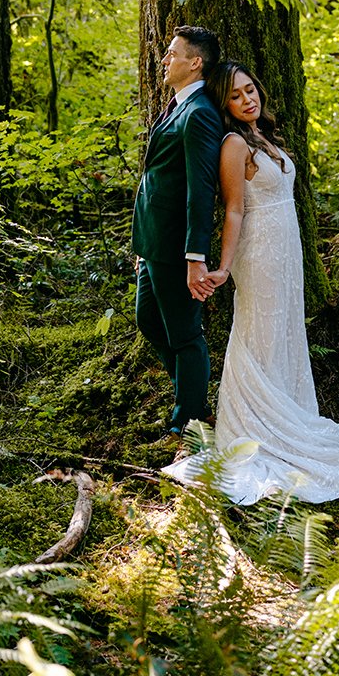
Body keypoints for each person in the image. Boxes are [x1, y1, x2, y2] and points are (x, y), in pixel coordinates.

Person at [163, 60, 339, 503]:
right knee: (259, 331)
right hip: (259, 252)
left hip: (287, 249)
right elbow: (234, 209)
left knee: (284, 331)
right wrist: (223, 266)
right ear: (224, 105)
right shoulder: (234, 144)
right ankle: (256, 425)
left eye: (249, 90)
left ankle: (287, 411)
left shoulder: (264, 138)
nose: (246, 100)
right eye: (235, 96)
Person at [133, 25, 223, 435]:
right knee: (149, 321)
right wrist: (142, 247)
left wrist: (195, 257)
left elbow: (201, 191)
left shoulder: (200, 113)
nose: (165, 59)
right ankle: (189, 389)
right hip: (153, 244)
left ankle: (190, 419)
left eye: (173, 53)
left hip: (176, 249)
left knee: (186, 335)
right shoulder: (176, 105)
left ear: (195, 63)